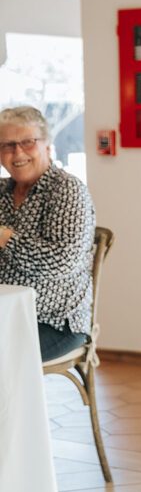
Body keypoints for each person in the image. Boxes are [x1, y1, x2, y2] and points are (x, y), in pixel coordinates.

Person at [0, 105, 96, 361]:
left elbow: (61, 261)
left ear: (47, 146)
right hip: (5, 315)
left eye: (27, 142)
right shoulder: (2, 192)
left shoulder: (66, 190)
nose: (17, 152)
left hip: (54, 322)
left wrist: (5, 237)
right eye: (7, 145)